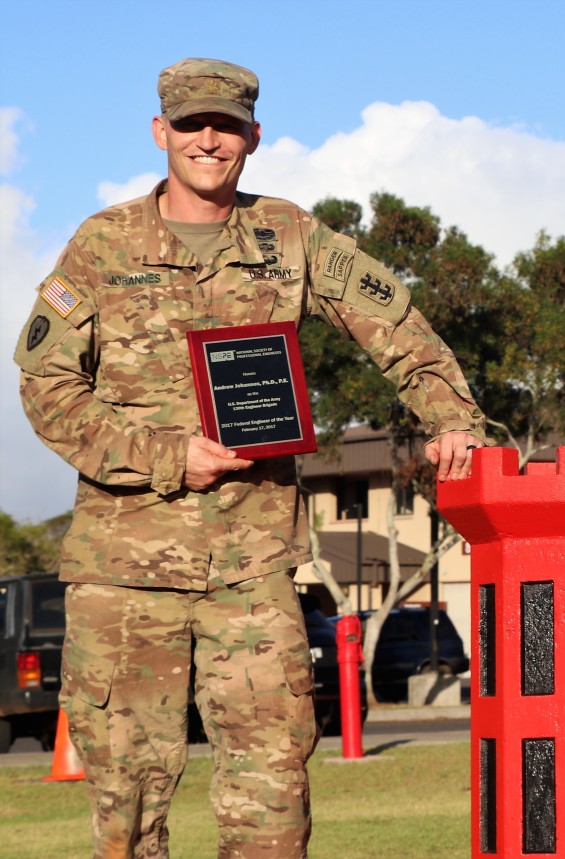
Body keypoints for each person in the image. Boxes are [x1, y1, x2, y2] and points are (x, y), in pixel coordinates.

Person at [13, 58, 488, 858]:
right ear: (160, 133)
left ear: (253, 138)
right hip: (125, 572)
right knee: (125, 805)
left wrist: (450, 413)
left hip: (251, 567)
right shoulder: (103, 244)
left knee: (272, 786)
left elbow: (391, 318)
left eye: (226, 126)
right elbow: (46, 386)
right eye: (192, 124)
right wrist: (168, 456)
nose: (208, 140)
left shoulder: (292, 236)